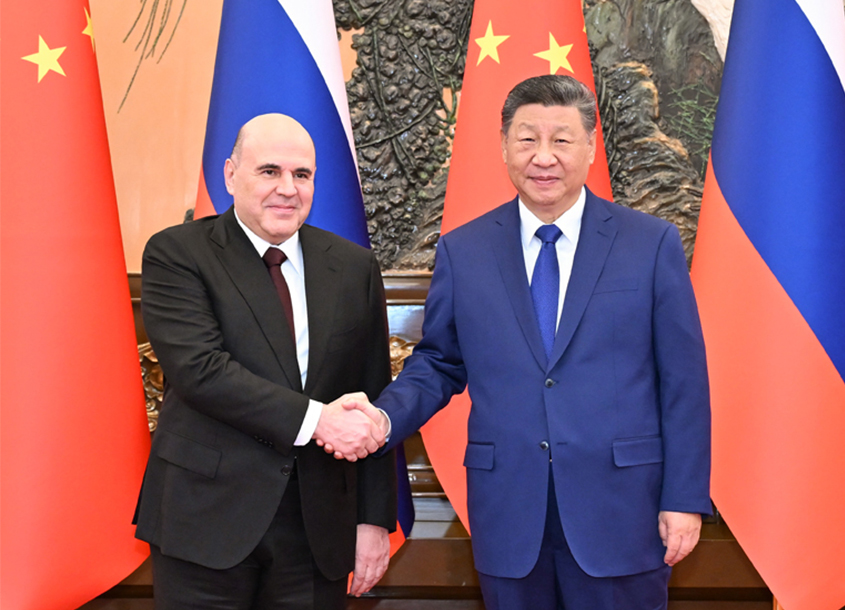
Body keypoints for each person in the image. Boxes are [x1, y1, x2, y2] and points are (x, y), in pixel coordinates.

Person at [332, 75, 711, 609]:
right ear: (504, 146)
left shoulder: (650, 244)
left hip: (623, 511)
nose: (543, 156)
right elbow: (439, 362)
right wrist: (382, 418)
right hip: (509, 514)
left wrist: (684, 498)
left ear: (590, 147)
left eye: (562, 140)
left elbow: (684, 382)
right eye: (527, 139)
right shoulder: (465, 251)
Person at [134, 113, 396, 610]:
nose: (287, 189)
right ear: (231, 175)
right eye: (269, 171)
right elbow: (201, 371)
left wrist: (373, 519)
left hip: (317, 531)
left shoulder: (353, 267)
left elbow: (372, 394)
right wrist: (318, 420)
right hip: (205, 521)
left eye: (302, 174)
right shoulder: (177, 254)